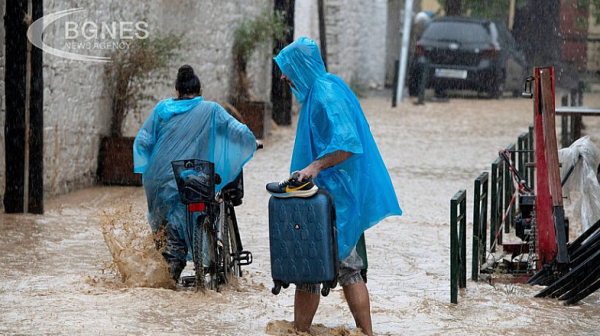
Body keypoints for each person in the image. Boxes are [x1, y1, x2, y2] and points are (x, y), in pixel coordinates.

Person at [271, 37, 402, 336]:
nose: (283, 76)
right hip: (327, 196)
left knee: (342, 268)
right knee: (320, 268)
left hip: (336, 198)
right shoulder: (324, 88)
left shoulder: (326, 95)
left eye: (286, 68)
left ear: (301, 67)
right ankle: (307, 331)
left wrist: (314, 167)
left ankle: (360, 332)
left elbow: (347, 145)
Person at [133, 65, 257, 281]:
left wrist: (150, 164)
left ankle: (160, 274)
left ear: (177, 91)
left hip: (157, 178)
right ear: (200, 92)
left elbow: (143, 142)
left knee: (162, 229)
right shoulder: (210, 110)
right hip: (187, 176)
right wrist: (252, 142)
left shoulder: (162, 109)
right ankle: (175, 262)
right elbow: (237, 131)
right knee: (181, 219)